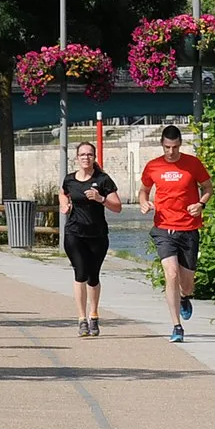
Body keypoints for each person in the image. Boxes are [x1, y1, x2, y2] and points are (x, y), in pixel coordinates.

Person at [137, 123, 211, 342]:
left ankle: (184, 296)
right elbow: (143, 190)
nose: (171, 152)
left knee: (187, 283)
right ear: (162, 144)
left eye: (175, 147)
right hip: (163, 227)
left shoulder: (193, 164)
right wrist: (143, 202)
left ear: (180, 145)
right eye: (168, 147)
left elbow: (208, 188)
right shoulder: (153, 166)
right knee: (171, 273)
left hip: (189, 228)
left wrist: (201, 204)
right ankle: (176, 326)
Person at [59, 141, 121, 336]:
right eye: (82, 155)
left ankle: (93, 315)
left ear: (94, 158)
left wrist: (100, 198)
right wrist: (64, 205)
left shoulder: (103, 180)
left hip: (97, 235)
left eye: (89, 155)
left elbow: (117, 207)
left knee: (93, 277)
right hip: (74, 233)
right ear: (77, 158)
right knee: (80, 273)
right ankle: (81, 319)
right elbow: (62, 193)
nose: (86, 158)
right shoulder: (70, 180)